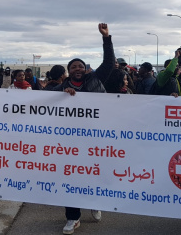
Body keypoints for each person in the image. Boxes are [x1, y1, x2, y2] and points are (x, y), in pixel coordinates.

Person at [54, 23, 115, 234]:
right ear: (68, 72)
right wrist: (63, 94)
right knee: (70, 176)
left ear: (86, 69)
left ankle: (95, 203)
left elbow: (109, 62)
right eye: (73, 67)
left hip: (95, 138)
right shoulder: (60, 90)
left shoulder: (97, 79)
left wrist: (106, 39)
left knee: (94, 173)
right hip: (69, 142)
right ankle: (73, 217)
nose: (77, 69)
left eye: (80, 66)